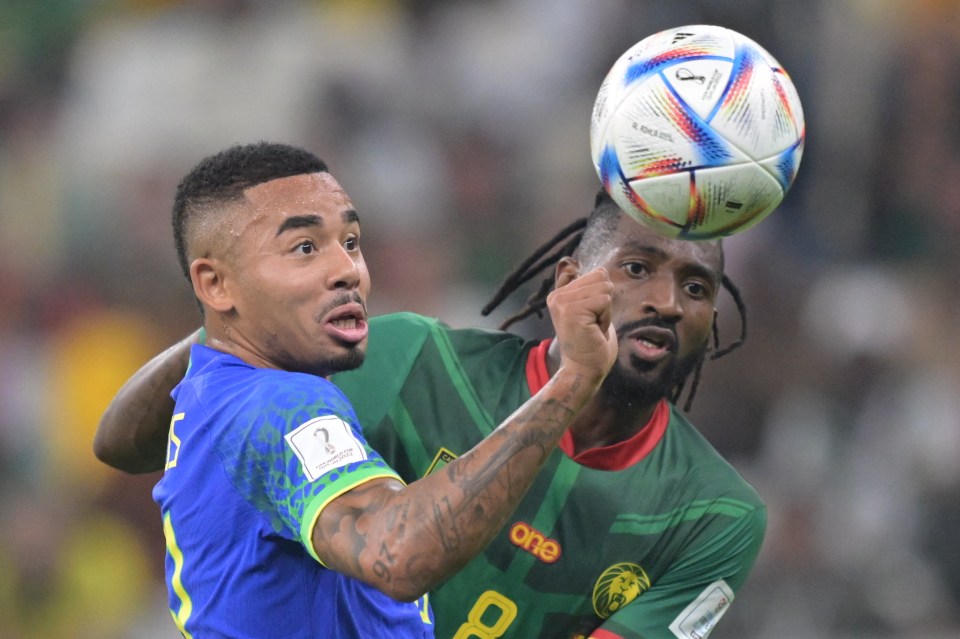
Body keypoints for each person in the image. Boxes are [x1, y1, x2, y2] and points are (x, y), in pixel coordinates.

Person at [95, 187, 765, 639]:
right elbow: (126, 439)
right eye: (638, 267)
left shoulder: (715, 515)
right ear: (567, 284)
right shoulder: (412, 361)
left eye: (695, 286)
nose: (667, 302)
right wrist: (257, 316)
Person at [133, 141, 618, 638]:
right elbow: (397, 554)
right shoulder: (284, 405)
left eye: (351, 241)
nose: (348, 271)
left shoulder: (209, 387)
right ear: (215, 285)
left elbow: (116, 440)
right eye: (304, 247)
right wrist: (573, 381)